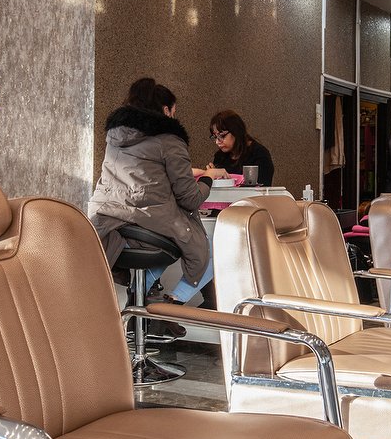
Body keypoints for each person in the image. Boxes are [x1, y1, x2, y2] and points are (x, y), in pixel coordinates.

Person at [88, 77, 213, 305]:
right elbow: (190, 199)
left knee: (166, 234)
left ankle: (138, 302)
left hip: (106, 228)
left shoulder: (115, 138)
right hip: (145, 232)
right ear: (166, 110)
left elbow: (142, 176)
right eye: (174, 111)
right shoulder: (170, 141)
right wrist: (208, 179)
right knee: (208, 247)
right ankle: (173, 303)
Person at [203, 110, 275, 186]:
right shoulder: (220, 156)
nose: (217, 142)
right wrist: (214, 177)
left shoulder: (259, 154)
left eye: (222, 136)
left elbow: (262, 187)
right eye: (215, 137)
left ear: (236, 131)